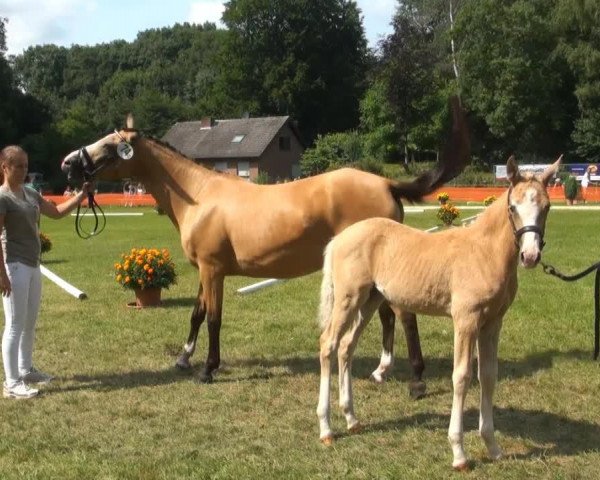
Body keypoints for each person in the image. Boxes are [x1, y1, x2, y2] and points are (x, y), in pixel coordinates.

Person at [0, 145, 92, 399]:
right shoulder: (2, 198)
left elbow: (57, 212)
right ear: (4, 167)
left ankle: (25, 369)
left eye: (26, 166)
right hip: (14, 265)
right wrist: (2, 275)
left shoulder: (30, 194)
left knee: (29, 322)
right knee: (15, 324)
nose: (23, 171)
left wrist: (81, 196)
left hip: (33, 264)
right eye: (18, 166)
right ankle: (11, 383)